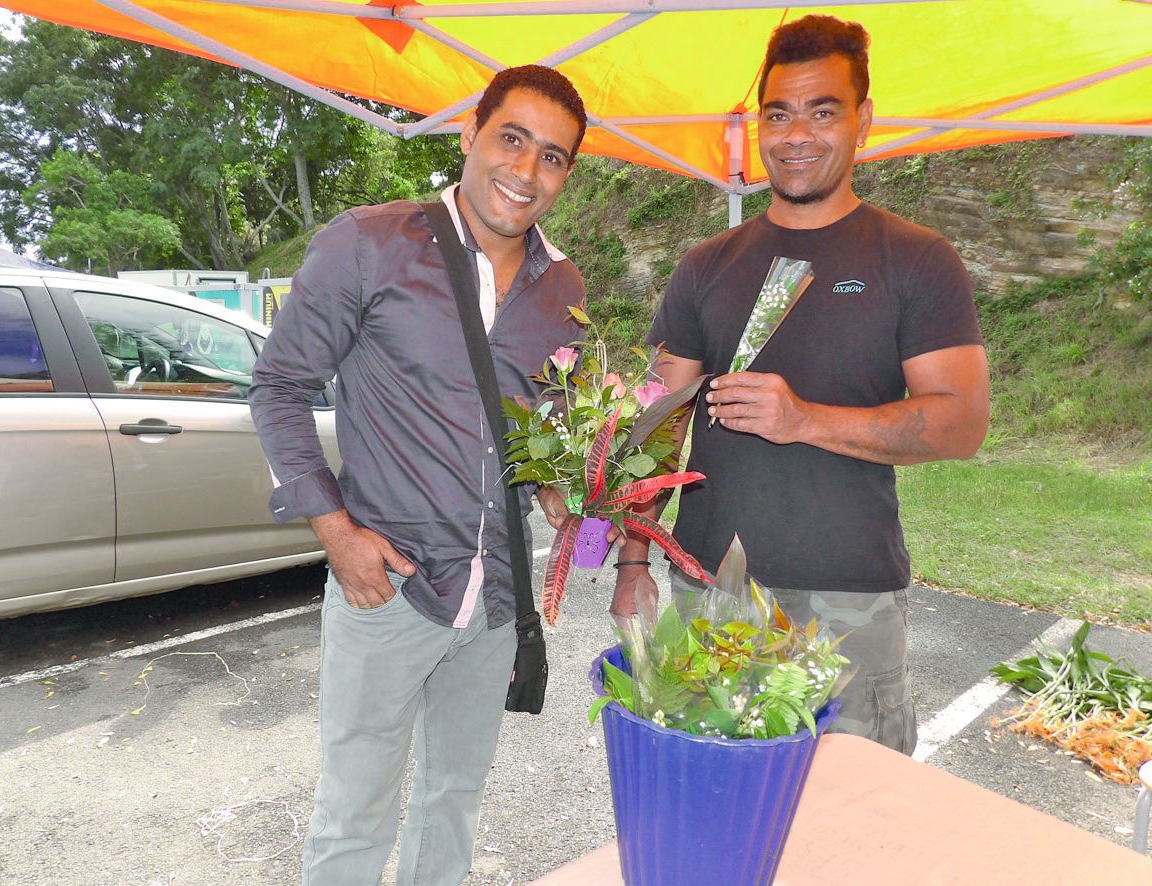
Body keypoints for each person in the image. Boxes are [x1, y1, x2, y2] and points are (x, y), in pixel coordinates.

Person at [611, 15, 990, 756]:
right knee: (715, 804)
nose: (795, 135)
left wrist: (805, 419)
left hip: (845, 595)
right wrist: (632, 561)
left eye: (822, 111)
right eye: (777, 114)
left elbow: (959, 424)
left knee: (852, 820)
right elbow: (652, 427)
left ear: (863, 121)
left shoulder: (914, 258)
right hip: (704, 590)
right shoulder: (706, 264)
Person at [249, 65, 587, 885]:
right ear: (469, 136)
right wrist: (337, 535)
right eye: (512, 139)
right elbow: (279, 389)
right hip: (390, 584)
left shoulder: (563, 285)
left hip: (498, 595)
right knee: (355, 810)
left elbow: (542, 426)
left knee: (453, 798)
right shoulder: (368, 242)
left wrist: (560, 482)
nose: (526, 170)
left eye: (552, 157)